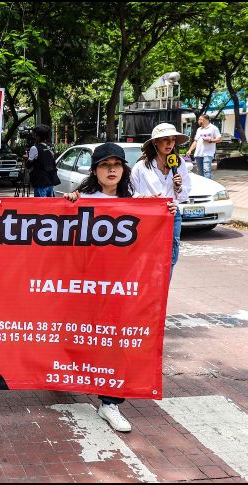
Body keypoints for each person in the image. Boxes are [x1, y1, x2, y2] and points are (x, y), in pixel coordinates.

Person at [63, 142, 176, 433]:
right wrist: (67, 203)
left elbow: (154, 230)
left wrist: (168, 210)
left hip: (120, 286)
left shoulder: (137, 200)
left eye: (116, 164)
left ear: (124, 169)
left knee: (114, 338)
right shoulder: (81, 199)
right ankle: (62, 377)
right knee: (76, 335)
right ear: (96, 170)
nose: (111, 169)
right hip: (82, 284)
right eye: (104, 164)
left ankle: (109, 402)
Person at [130, 123, 190, 275]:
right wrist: (146, 198)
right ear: (155, 142)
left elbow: (183, 196)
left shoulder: (179, 163)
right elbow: (130, 193)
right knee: (146, 255)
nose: (170, 143)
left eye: (173, 139)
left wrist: (178, 186)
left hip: (171, 213)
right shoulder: (141, 166)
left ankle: (163, 291)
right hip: (147, 216)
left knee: (170, 256)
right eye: (165, 139)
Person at [25, 124, 60, 197]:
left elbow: (28, 165)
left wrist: (27, 158)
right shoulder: (50, 147)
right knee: (50, 205)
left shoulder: (34, 148)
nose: (33, 136)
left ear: (38, 136)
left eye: (34, 135)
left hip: (40, 182)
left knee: (40, 205)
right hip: (50, 180)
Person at [185, 114, 221, 179]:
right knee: (200, 173)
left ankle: (210, 186)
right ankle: (203, 187)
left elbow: (219, 139)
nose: (198, 121)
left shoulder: (213, 128)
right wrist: (190, 150)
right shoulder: (199, 129)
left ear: (206, 120)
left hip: (208, 153)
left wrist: (210, 140)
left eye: (200, 119)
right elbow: (195, 141)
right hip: (198, 154)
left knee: (206, 171)